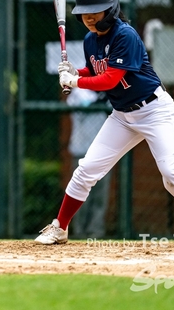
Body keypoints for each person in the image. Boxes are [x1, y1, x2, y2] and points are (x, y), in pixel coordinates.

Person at [35, 0, 174, 248]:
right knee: (86, 169)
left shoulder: (125, 35)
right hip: (123, 116)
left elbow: (110, 79)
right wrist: (76, 71)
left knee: (171, 173)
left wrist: (74, 81)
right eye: (84, 13)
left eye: (95, 12)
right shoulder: (90, 40)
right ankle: (60, 227)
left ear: (110, 10)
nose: (89, 18)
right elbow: (96, 70)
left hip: (155, 111)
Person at [66, 88, 111, 239]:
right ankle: (79, 232)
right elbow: (82, 107)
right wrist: (99, 99)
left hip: (103, 151)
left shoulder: (108, 92)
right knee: (80, 192)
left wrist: (106, 95)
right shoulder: (79, 91)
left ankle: (96, 231)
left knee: (100, 195)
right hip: (81, 149)